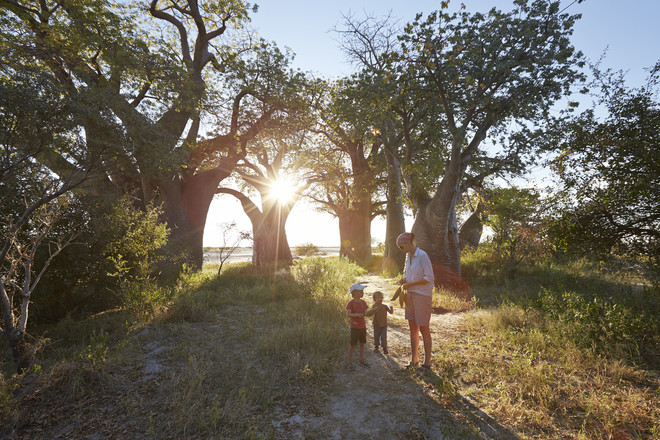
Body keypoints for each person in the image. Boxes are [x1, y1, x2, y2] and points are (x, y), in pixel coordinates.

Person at [397, 232, 435, 370]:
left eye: (402, 246)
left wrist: (411, 284)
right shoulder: (408, 257)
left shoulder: (422, 255)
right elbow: (408, 274)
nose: (402, 249)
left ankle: (427, 363)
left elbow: (429, 278)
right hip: (410, 295)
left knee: (424, 328)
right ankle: (414, 360)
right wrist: (404, 280)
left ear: (408, 243)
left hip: (422, 296)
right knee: (413, 328)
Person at [345, 283, 370, 371]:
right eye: (361, 291)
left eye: (362, 291)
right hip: (354, 328)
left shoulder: (363, 302)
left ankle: (362, 359)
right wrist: (357, 315)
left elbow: (366, 312)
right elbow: (348, 314)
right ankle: (349, 362)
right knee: (352, 345)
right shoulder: (351, 303)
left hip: (362, 327)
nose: (362, 292)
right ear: (354, 293)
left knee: (362, 344)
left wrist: (372, 311)